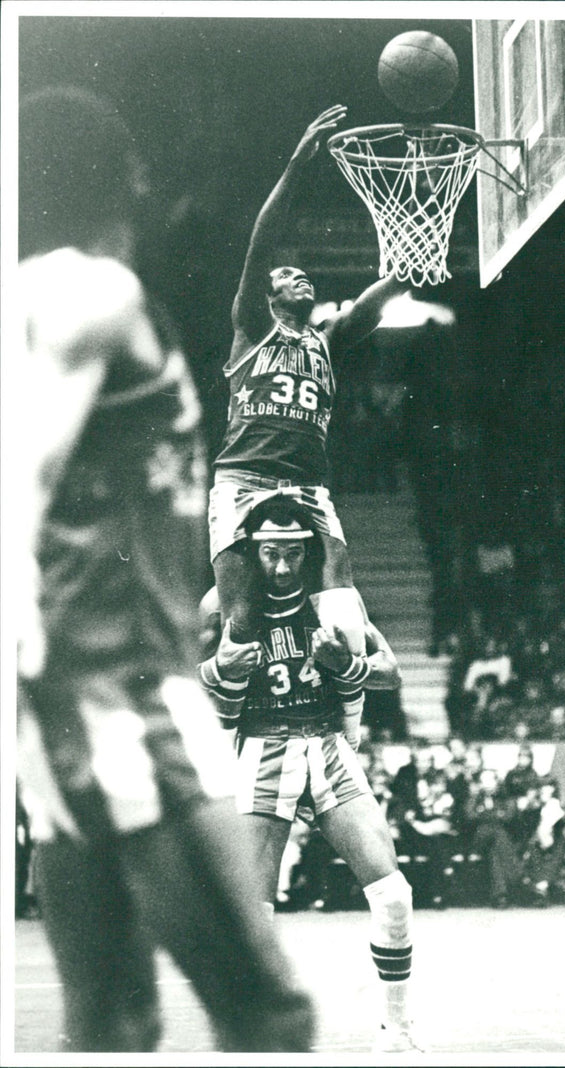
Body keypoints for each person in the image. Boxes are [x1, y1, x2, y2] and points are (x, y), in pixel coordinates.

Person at [16, 86, 315, 1052]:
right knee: (270, 1012)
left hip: (66, 708)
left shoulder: (41, 290)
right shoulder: (88, 290)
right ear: (131, 180)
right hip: (124, 699)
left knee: (113, 1025)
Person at [208, 104, 407, 751]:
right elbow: (262, 242)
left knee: (342, 589)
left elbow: (369, 308)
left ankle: (342, 736)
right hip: (243, 480)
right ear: (266, 294)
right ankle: (229, 739)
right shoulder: (251, 328)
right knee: (240, 618)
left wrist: (402, 272)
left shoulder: (323, 340)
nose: (296, 273)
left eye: (302, 272)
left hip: (308, 485)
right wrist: (297, 164)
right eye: (284, 274)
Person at [198, 497, 424, 1053]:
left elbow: (391, 674)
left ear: (308, 551)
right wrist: (217, 670)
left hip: (325, 742)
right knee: (252, 913)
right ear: (253, 550)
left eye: (293, 554)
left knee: (394, 894)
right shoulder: (222, 604)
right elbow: (186, 686)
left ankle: (396, 1032)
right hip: (262, 744)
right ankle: (255, 1038)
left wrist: (345, 666)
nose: (280, 567)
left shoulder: (336, 603)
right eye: (270, 553)